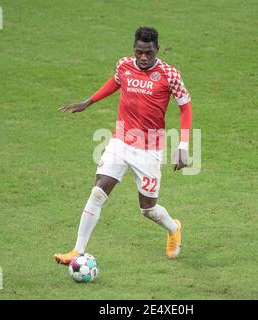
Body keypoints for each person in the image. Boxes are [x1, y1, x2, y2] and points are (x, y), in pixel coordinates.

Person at [54, 26, 193, 264]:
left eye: (148, 53)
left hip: (149, 149)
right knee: (98, 192)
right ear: (134, 49)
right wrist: (89, 101)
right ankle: (77, 251)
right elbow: (115, 82)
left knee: (147, 208)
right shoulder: (124, 65)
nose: (143, 58)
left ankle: (173, 228)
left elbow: (185, 107)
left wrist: (183, 145)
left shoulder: (170, 75)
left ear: (157, 50)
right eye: (139, 52)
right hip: (121, 140)